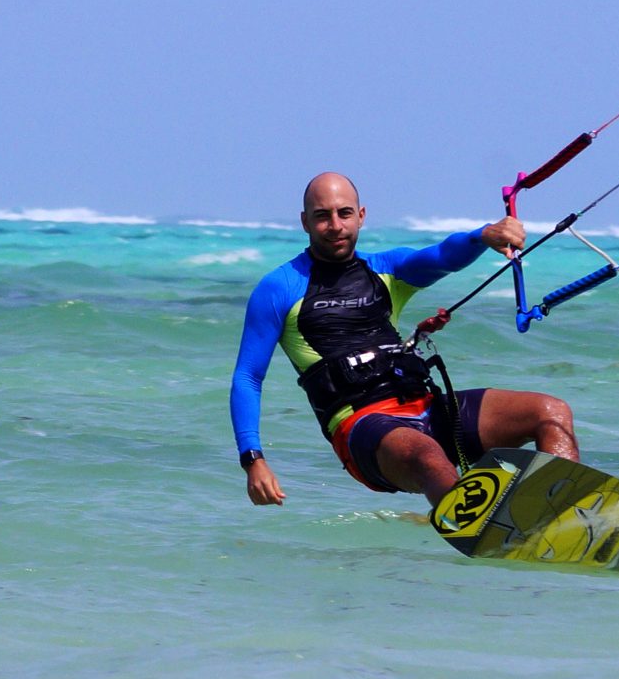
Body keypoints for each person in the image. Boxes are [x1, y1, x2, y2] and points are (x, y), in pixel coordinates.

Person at [230, 172, 578, 508]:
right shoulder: (279, 288)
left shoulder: (388, 269)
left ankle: (559, 508)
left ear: (361, 216)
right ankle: (479, 528)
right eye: (322, 216)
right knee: (429, 455)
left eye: (344, 213)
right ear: (305, 222)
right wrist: (253, 459)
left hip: (425, 407)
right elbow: (248, 377)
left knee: (550, 412)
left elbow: (441, 256)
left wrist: (482, 235)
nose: (335, 225)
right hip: (363, 426)